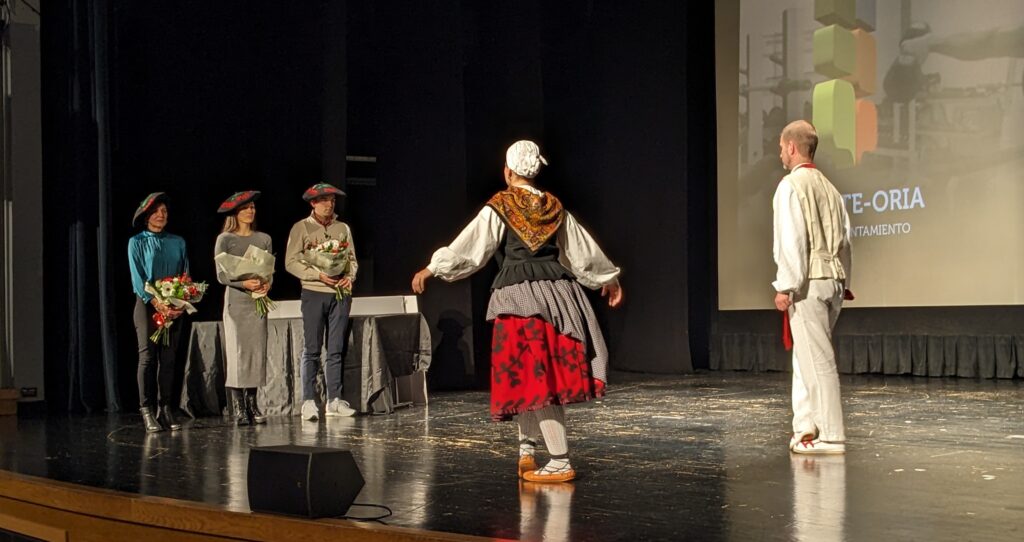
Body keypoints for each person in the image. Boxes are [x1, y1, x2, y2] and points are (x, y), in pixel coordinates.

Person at [411, 140, 623, 482]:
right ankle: (527, 450)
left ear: (508, 172)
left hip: (519, 300)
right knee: (529, 376)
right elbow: (582, 251)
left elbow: (470, 248)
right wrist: (608, 278)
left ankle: (560, 460)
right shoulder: (554, 206)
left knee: (536, 377)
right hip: (557, 298)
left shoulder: (500, 205)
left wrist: (432, 268)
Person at [772, 121, 853, 455]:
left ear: (792, 147)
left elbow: (792, 240)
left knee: (817, 360)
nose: (780, 153)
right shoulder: (831, 189)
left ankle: (831, 435)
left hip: (809, 282)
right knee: (807, 356)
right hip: (833, 281)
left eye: (781, 147)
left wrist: (786, 285)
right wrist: (845, 281)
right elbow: (846, 241)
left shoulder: (791, 186)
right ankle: (806, 426)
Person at [284, 183, 358, 421]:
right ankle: (308, 401)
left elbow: (352, 259)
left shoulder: (342, 227)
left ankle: (334, 400)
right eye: (325, 200)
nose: (329, 204)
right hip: (314, 292)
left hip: (340, 294)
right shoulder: (301, 227)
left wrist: (349, 277)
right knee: (312, 349)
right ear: (313, 203)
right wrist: (317, 275)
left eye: (332, 200)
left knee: (335, 349)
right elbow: (290, 262)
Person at [128, 192, 190, 433]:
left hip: (173, 306)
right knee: (147, 357)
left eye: (164, 211)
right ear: (146, 216)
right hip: (147, 305)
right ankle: (146, 409)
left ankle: (165, 408)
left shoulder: (178, 241)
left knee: (169, 358)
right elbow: (137, 278)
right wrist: (155, 301)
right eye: (155, 211)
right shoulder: (137, 242)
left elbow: (185, 274)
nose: (161, 215)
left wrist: (180, 303)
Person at [214, 191, 272, 426]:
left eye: (252, 207)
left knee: (256, 352)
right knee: (238, 353)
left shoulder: (264, 238)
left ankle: (252, 404)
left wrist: (266, 284)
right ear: (235, 213)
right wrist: (243, 284)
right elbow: (221, 275)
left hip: (257, 301)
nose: (250, 211)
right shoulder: (225, 239)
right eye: (245, 208)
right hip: (237, 303)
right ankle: (238, 407)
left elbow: (268, 270)